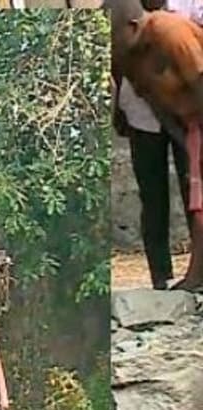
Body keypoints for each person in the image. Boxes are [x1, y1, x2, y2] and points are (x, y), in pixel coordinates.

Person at [115, 0, 203, 288]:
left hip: (195, 117)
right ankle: (164, 279)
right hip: (159, 121)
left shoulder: (171, 32)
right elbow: (152, 97)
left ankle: (196, 276)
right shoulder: (126, 52)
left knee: (196, 198)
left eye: (115, 36)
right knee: (156, 200)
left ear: (132, 27)